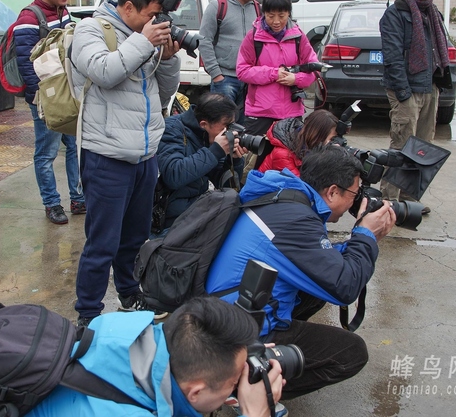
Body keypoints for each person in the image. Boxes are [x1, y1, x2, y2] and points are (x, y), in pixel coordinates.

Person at [206, 144, 396, 400]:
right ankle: (248, 387)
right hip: (236, 334)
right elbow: (345, 287)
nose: (356, 200)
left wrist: (360, 242)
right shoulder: (298, 220)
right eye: (354, 192)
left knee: (319, 286)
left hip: (226, 313)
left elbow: (319, 259)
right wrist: (365, 235)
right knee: (352, 353)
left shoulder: (285, 197)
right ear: (332, 191)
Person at [70, 0, 181, 326]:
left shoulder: (142, 36)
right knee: (102, 242)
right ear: (129, 7)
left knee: (134, 237)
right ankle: (88, 314)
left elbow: (162, 95)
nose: (155, 22)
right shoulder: (90, 30)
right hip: (106, 155)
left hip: (144, 155)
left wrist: (166, 58)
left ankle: (130, 294)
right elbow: (104, 71)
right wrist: (145, 41)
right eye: (150, 15)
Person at [26, 297, 285, 417]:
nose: (241, 382)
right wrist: (256, 414)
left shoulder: (127, 331)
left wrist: (229, 364)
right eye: (235, 381)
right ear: (195, 392)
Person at [13, 0, 85, 225]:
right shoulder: (29, 18)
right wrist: (40, 98)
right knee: (46, 151)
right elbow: (25, 62)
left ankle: (78, 198)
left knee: (74, 146)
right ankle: (52, 203)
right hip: (46, 97)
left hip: (67, 92)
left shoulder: (63, 12)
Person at [379, 0, 452, 212]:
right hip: (406, 90)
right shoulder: (395, 14)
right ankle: (389, 201)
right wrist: (403, 94)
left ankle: (409, 201)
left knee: (422, 148)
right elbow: (393, 57)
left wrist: (439, 85)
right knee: (401, 145)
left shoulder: (433, 13)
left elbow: (437, 51)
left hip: (430, 86)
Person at [154, 92, 248, 235]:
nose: (229, 132)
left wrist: (234, 160)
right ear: (204, 124)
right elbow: (173, 175)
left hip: (197, 211)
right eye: (226, 126)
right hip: (170, 218)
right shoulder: (172, 128)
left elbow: (224, 186)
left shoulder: (209, 136)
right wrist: (215, 151)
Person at [236, 0, 320, 136]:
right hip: (260, 113)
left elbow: (314, 69)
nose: (276, 21)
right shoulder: (253, 37)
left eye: (281, 16)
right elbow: (242, 71)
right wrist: (274, 73)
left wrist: (296, 78)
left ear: (289, 14)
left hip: (291, 112)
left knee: (290, 158)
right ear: (263, 14)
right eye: (270, 16)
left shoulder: (299, 37)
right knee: (255, 158)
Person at [199, 0, 263, 124]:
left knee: (244, 126)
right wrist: (216, 74)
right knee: (222, 125)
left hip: (249, 78)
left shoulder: (258, 10)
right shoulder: (218, 6)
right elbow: (204, 40)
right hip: (225, 78)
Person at [257, 109, 338, 177]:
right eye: (330, 139)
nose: (330, 143)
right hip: (266, 193)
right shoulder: (283, 155)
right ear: (318, 136)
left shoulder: (306, 145)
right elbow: (301, 186)